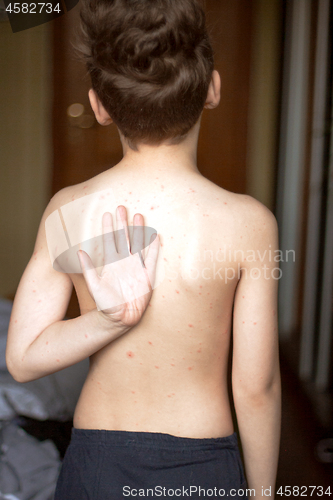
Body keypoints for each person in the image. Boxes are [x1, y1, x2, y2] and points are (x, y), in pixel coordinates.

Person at [6, 0, 281, 498]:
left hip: (97, 462)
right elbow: (255, 387)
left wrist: (106, 320)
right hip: (201, 463)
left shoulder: (67, 209)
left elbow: (23, 359)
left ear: (99, 105)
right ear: (213, 89)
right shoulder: (250, 223)